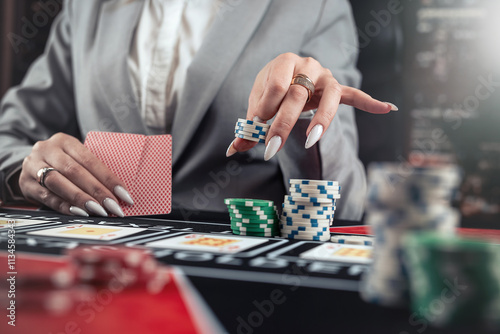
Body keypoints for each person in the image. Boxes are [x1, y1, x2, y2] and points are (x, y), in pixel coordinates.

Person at [0, 0, 396, 220]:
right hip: (101, 266)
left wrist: (303, 117)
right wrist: (27, 170)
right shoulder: (87, 7)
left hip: (241, 280)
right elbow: (9, 136)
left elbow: (344, 202)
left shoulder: (315, 7)